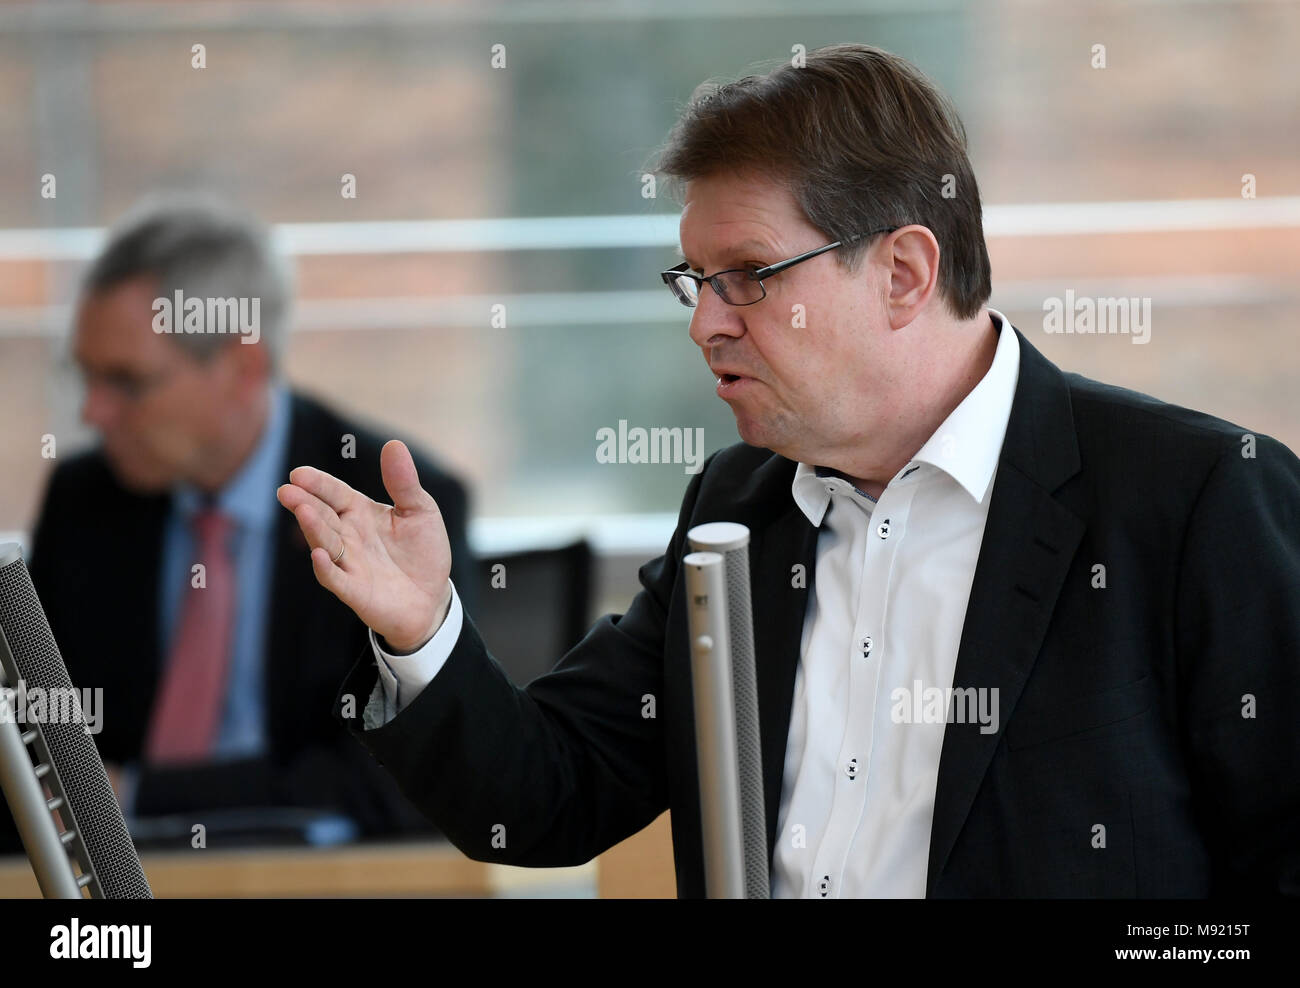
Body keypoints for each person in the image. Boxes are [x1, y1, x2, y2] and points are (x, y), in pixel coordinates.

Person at [276, 44, 1300, 896]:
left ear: (902, 273)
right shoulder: (739, 509)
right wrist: (422, 630)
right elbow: (546, 799)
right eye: (695, 280)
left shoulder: (1196, 498)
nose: (704, 322)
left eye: (748, 278)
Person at [0, 195, 474, 854]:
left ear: (241, 367)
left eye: (126, 381)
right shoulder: (86, 499)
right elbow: (34, 746)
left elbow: (398, 779)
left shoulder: (387, 504)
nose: (93, 411)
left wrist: (133, 794)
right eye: (84, 376)